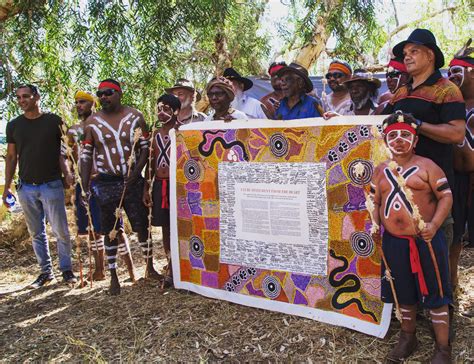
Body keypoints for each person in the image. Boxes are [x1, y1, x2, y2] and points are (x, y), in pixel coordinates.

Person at [371, 113, 453, 363]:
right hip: (395, 243)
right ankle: (408, 336)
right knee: (402, 292)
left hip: (426, 241)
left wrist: (434, 224)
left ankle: (442, 348)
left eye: (405, 135)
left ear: (415, 141)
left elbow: (446, 197)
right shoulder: (380, 170)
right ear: (385, 141)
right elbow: (374, 202)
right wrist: (375, 225)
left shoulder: (428, 166)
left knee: (437, 294)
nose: (398, 140)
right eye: (392, 135)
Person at [80, 79, 159, 295]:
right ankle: (113, 276)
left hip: (133, 181)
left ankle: (150, 267)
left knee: (142, 226)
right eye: (100, 94)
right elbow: (86, 157)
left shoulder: (135, 116)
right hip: (105, 183)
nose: (104, 97)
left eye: (108, 93)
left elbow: (145, 148)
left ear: (119, 93)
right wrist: (85, 186)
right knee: (111, 231)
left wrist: (136, 174)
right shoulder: (92, 123)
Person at [3, 84, 77, 288]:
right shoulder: (14, 125)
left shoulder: (54, 121)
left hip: (51, 185)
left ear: (37, 97)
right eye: (18, 98)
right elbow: (11, 157)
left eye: (25, 96)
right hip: (26, 187)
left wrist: (68, 173)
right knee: (36, 233)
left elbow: (65, 151)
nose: (21, 100)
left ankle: (67, 270)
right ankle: (46, 272)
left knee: (61, 231)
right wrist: (7, 187)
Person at [67, 90, 135, 282]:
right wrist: (70, 174)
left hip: (104, 181)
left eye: (83, 102)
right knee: (91, 229)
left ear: (93, 105)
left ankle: (131, 271)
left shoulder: (103, 126)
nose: (79, 105)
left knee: (115, 228)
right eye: (77, 102)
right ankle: (99, 269)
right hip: (84, 182)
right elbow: (67, 155)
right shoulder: (73, 131)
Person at [143, 94, 181, 288]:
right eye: (159, 108)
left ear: (176, 111)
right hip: (160, 184)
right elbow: (150, 163)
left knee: (179, 227)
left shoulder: (183, 131)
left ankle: (182, 270)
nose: (161, 112)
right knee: (165, 227)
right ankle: (171, 268)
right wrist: (146, 188)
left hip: (178, 186)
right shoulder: (155, 134)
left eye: (166, 108)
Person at [447, 42, 474, 291]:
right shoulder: (450, 106)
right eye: (450, 72)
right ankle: (453, 286)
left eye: (458, 70)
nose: (452, 76)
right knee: (454, 236)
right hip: (456, 179)